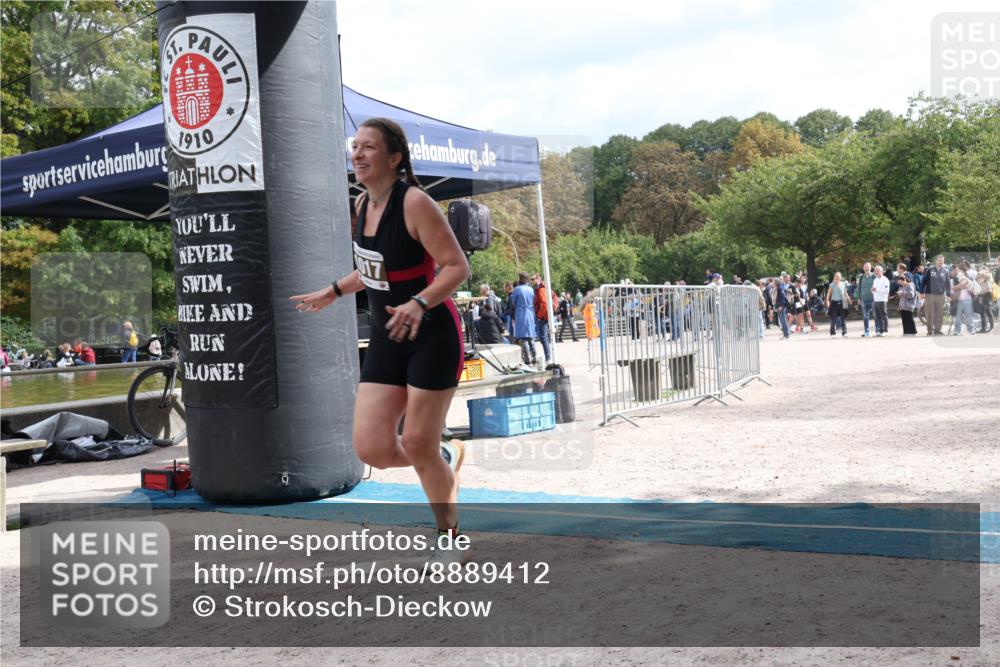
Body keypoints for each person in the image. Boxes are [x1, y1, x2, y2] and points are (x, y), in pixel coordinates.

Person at [289, 117, 470, 563]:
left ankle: (450, 539)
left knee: (418, 443)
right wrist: (334, 291)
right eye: (355, 146)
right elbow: (375, 269)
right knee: (372, 448)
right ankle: (441, 457)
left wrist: (419, 303)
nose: (358, 154)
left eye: (369, 147)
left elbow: (457, 267)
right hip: (389, 337)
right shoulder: (361, 204)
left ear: (394, 158)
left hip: (432, 333)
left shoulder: (416, 203)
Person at [508, 272, 538, 367]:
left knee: (523, 337)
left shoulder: (517, 289)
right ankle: (535, 358)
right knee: (531, 337)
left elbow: (513, 302)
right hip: (530, 312)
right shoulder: (530, 289)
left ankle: (528, 360)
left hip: (521, 313)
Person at [922, 255, 950, 335]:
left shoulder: (946, 271)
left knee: (939, 313)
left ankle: (938, 330)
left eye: (942, 261)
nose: (941, 262)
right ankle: (930, 330)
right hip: (930, 295)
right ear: (936, 261)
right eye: (939, 260)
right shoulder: (930, 270)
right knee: (930, 313)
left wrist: (948, 295)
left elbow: (947, 284)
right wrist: (921, 292)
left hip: (941, 295)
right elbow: (924, 281)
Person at [531, 274, 554, 364]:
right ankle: (548, 357)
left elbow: (544, 304)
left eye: (533, 279)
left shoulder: (541, 289)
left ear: (538, 279)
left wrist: (539, 316)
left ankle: (548, 357)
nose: (531, 281)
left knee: (543, 337)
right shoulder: (539, 288)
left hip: (542, 317)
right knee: (543, 337)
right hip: (543, 316)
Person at [951, 260, 977, 336]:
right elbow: (959, 286)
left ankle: (970, 330)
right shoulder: (956, 278)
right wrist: (958, 287)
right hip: (958, 299)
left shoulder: (968, 276)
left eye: (958, 268)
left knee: (968, 316)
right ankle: (957, 331)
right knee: (958, 317)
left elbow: (963, 284)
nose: (956, 269)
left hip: (967, 299)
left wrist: (956, 287)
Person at [824, 271, 851, 337]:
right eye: (836, 276)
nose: (837, 277)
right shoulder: (831, 285)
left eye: (838, 276)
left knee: (843, 319)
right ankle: (832, 333)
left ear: (840, 277)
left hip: (842, 302)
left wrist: (848, 299)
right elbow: (828, 294)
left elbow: (845, 293)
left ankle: (844, 332)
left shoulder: (843, 284)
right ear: (834, 277)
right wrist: (827, 301)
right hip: (834, 303)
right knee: (833, 319)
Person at [857, 262, 876, 337]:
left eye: (868, 267)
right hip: (863, 299)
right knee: (865, 316)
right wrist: (859, 298)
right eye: (865, 267)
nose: (866, 268)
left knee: (875, 315)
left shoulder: (874, 276)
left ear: (870, 268)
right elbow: (859, 288)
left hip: (873, 299)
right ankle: (867, 332)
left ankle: (878, 330)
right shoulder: (861, 277)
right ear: (863, 268)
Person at [871, 265, 890, 336]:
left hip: (882, 299)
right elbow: (873, 290)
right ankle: (880, 330)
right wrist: (872, 290)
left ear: (882, 271)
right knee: (878, 316)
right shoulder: (875, 280)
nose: (876, 272)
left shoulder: (885, 279)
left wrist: (877, 290)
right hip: (876, 300)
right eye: (875, 271)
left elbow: (886, 291)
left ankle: (885, 330)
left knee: (883, 315)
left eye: (878, 271)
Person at [975, 268, 995, 333]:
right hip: (982, 295)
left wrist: (982, 273)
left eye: (982, 269)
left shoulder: (988, 275)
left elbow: (988, 276)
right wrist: (979, 275)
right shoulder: (980, 276)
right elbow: (977, 280)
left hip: (987, 294)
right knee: (987, 311)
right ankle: (988, 327)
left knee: (984, 311)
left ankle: (985, 328)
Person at [775, 273, 792, 339]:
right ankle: (786, 334)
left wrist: (781, 305)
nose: (789, 279)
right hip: (783, 305)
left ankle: (786, 335)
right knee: (783, 320)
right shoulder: (783, 285)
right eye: (788, 278)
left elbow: (783, 296)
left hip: (781, 306)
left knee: (783, 321)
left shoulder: (781, 286)